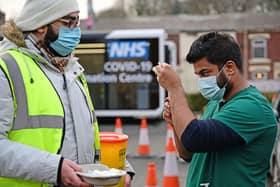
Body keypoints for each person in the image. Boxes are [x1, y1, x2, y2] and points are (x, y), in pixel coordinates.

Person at [0, 0, 135, 186]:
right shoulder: (6, 67)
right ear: (41, 25)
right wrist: (55, 169)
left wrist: (119, 167)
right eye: (68, 22)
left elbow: (84, 137)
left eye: (77, 22)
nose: (75, 32)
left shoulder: (72, 70)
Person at [154, 32, 278, 186]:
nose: (202, 80)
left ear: (230, 68)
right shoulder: (216, 102)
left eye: (205, 73)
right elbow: (188, 153)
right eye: (198, 75)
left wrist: (174, 88)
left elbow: (195, 138)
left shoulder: (252, 107)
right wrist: (174, 122)